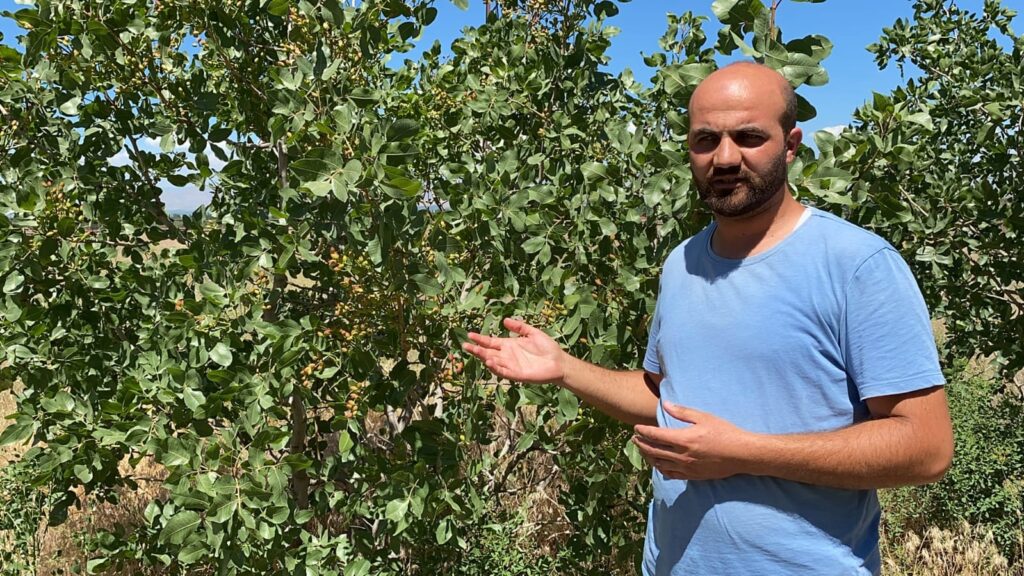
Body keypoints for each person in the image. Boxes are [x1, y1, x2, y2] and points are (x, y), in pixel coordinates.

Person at [461, 62, 953, 575]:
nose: (724, 157)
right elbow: (665, 398)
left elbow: (926, 446)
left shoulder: (856, 265)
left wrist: (743, 452)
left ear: (791, 144)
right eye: (705, 139)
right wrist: (564, 368)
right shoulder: (683, 263)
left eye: (748, 136)